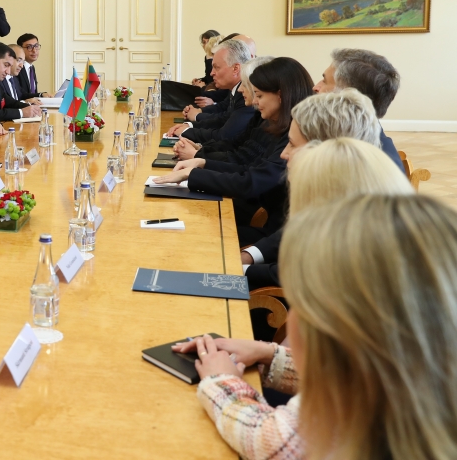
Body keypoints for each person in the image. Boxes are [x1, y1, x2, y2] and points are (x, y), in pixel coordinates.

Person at [175, 194, 457, 460]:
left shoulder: (349, 410)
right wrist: (271, 356)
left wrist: (221, 381)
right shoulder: (419, 373)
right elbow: (343, 374)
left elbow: (271, 442)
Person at [155, 57, 314, 242]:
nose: (255, 101)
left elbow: (250, 181)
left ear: (280, 95)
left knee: (193, 231)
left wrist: (195, 170)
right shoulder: (275, 123)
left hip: (274, 235)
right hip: (266, 226)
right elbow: (247, 166)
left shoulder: (293, 134)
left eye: (259, 95)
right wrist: (201, 162)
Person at [240, 89, 385, 288]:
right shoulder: (338, 185)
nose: (283, 154)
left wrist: (239, 270)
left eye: (292, 144)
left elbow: (307, 275)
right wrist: (249, 256)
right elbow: (296, 229)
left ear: (324, 150)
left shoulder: (358, 213)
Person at [313, 48, 403, 170]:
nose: (315, 87)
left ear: (350, 97)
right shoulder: (341, 136)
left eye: (325, 81)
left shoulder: (364, 164)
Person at [174, 56, 274, 164]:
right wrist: (201, 149)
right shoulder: (259, 116)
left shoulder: (265, 118)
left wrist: (197, 154)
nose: (240, 89)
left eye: (245, 84)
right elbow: (234, 143)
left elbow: (242, 161)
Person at [166, 39, 255, 143]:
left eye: (216, 67)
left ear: (235, 68)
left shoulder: (247, 94)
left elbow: (225, 136)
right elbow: (224, 119)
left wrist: (187, 131)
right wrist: (190, 125)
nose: (211, 73)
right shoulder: (235, 89)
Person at [16, 33, 47, 97]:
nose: (34, 50)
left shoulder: (31, 68)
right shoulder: (17, 68)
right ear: (20, 49)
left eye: (36, 46)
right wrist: (40, 95)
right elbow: (19, 94)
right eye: (29, 47)